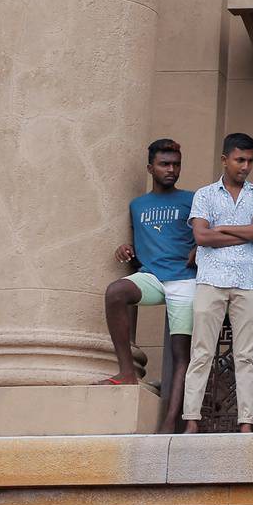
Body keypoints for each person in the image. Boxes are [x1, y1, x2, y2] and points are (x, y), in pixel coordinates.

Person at [96, 138, 195, 432]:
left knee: (180, 354)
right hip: (152, 276)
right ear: (150, 167)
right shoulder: (137, 205)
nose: (171, 169)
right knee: (116, 292)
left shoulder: (192, 199)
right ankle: (127, 372)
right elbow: (134, 238)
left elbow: (208, 232)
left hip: (185, 280)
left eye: (176, 164)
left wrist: (201, 248)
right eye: (165, 164)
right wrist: (125, 248)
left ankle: (169, 422)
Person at [182, 132, 253, 434]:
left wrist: (221, 227)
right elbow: (201, 236)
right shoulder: (205, 194)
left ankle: (246, 422)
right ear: (224, 159)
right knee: (201, 352)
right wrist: (245, 230)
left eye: (249, 160)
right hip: (210, 280)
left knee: (246, 355)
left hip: (249, 282)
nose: (245, 166)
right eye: (239, 159)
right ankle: (191, 420)